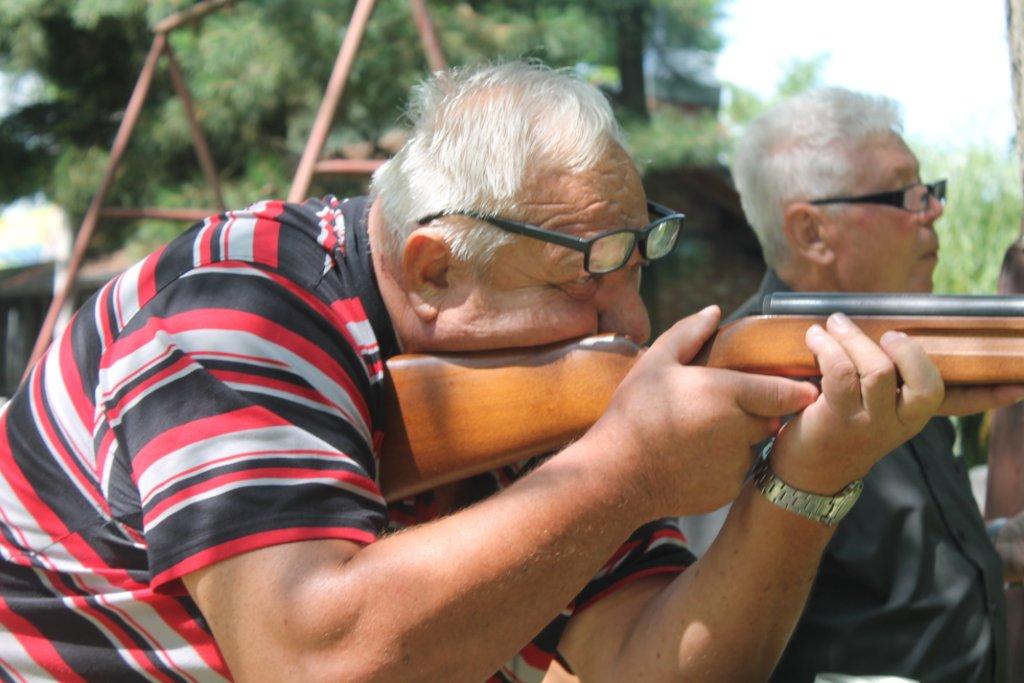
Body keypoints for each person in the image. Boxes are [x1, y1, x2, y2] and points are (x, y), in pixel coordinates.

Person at [0, 64, 1017, 682]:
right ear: (433, 268)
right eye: (589, 277)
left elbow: (657, 665)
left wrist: (813, 471)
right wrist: (625, 470)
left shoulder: (530, 377)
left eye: (636, 264)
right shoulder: (233, 300)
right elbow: (307, 657)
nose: (626, 322)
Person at [722, 86, 1017, 682]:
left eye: (928, 190)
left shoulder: (895, 345)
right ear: (811, 233)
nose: (932, 211)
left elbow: (859, 582)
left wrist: (990, 548)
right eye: (905, 194)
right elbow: (716, 634)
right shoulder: (743, 388)